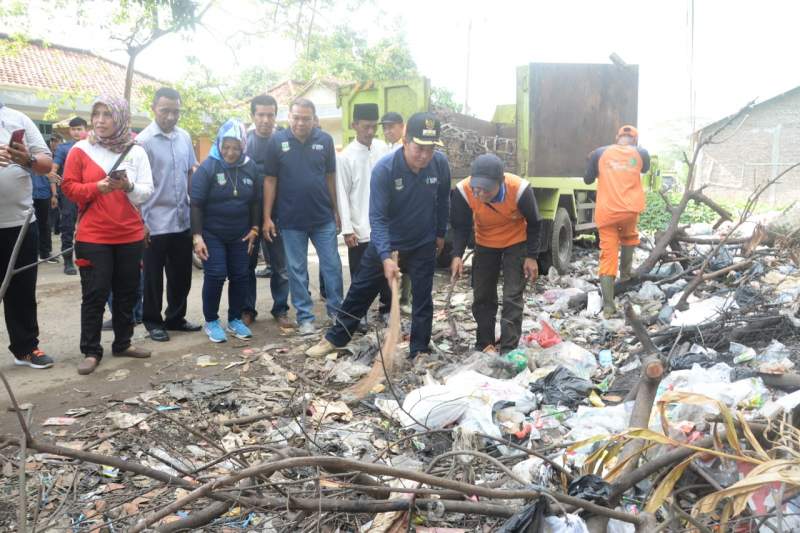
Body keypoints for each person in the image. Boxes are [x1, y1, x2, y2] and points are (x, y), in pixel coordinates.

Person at [307, 112, 450, 358]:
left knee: (423, 298)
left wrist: (439, 233)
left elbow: (444, 201)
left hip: (422, 242)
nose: (425, 155)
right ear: (405, 142)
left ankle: (418, 349)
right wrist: (385, 256)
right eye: (419, 148)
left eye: (430, 148)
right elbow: (378, 218)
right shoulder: (385, 169)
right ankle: (335, 338)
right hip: (389, 241)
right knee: (360, 290)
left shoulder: (439, 164)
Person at [62, 96, 154, 375]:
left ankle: (123, 343)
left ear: (120, 118)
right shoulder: (80, 149)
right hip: (93, 236)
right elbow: (68, 188)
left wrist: (128, 186)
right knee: (95, 294)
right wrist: (96, 188)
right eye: (96, 114)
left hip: (129, 234)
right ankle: (91, 351)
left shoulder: (136, 151)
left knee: (127, 293)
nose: (100, 120)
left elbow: (147, 191)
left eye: (107, 115)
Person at [262, 98, 343, 336]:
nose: (300, 122)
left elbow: (330, 177)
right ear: (289, 117)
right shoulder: (277, 142)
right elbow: (270, 180)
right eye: (296, 117)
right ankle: (305, 318)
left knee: (332, 266)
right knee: (297, 270)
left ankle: (338, 312)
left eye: (306, 118)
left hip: (322, 217)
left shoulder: (325, 140)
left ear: (313, 119)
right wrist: (267, 217)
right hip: (290, 219)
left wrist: (336, 210)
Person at [450, 153, 542, 354]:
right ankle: (485, 344)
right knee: (482, 295)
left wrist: (532, 256)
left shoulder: (519, 189)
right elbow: (460, 227)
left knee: (511, 296)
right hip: (485, 242)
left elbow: (535, 223)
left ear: (501, 182)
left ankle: (509, 349)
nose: (480, 194)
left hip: (516, 241)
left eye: (486, 190)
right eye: (477, 188)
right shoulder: (463, 191)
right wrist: (457, 255)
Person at [137, 87, 201, 342]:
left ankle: (176, 318)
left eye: (176, 111)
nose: (171, 116)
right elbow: (137, 186)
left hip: (181, 219)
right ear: (154, 109)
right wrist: (140, 222)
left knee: (181, 276)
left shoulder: (184, 137)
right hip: (153, 222)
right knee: (153, 278)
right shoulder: (143, 142)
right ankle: (153, 322)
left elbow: (189, 171)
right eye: (165, 111)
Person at [190, 119, 260, 343]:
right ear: (219, 144)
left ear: (243, 147)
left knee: (240, 276)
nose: (230, 152)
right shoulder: (208, 167)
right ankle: (211, 321)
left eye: (236, 147)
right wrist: (197, 237)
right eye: (226, 147)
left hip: (241, 234)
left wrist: (255, 228)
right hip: (212, 234)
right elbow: (196, 204)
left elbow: (256, 202)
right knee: (216, 274)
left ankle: (234, 320)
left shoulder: (250, 167)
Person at [0, 102, 55, 369]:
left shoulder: (17, 118)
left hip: (20, 223)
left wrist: (28, 160)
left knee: (21, 290)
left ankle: (25, 348)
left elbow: (46, 164)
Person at [584, 125, 650, 318]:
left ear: (617, 138)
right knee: (630, 237)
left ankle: (608, 306)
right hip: (630, 210)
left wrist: (595, 165)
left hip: (607, 212)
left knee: (608, 254)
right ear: (635, 140)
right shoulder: (641, 152)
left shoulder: (600, 153)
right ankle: (627, 273)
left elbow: (587, 179)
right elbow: (645, 168)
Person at [336, 103, 390, 328]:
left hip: (384, 226)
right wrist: (347, 229)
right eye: (366, 127)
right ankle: (360, 316)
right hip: (360, 229)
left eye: (373, 127)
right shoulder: (346, 156)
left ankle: (387, 311)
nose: (370, 132)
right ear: (354, 125)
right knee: (361, 277)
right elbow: (342, 193)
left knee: (387, 273)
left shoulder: (382, 148)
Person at [242, 94, 292, 329]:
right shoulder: (243, 142)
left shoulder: (284, 141)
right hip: (248, 215)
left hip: (278, 214)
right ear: (252, 116)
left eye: (270, 115)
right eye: (260, 114)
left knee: (281, 267)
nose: (265, 120)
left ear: (276, 116)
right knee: (247, 265)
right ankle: (247, 309)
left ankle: (280, 309)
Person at [51, 116, 88, 275]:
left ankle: (85, 257)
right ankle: (67, 260)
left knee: (87, 225)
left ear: (86, 130)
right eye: (73, 129)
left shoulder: (92, 146)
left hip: (89, 191)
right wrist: (54, 177)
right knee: (67, 225)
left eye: (79, 129)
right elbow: (54, 168)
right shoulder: (64, 148)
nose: (76, 132)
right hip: (70, 193)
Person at [31, 164, 57, 262]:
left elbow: (51, 176)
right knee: (31, 226)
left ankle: (45, 253)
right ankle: (34, 253)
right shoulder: (24, 156)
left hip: (44, 195)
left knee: (45, 225)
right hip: (29, 195)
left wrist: (54, 195)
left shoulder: (44, 157)